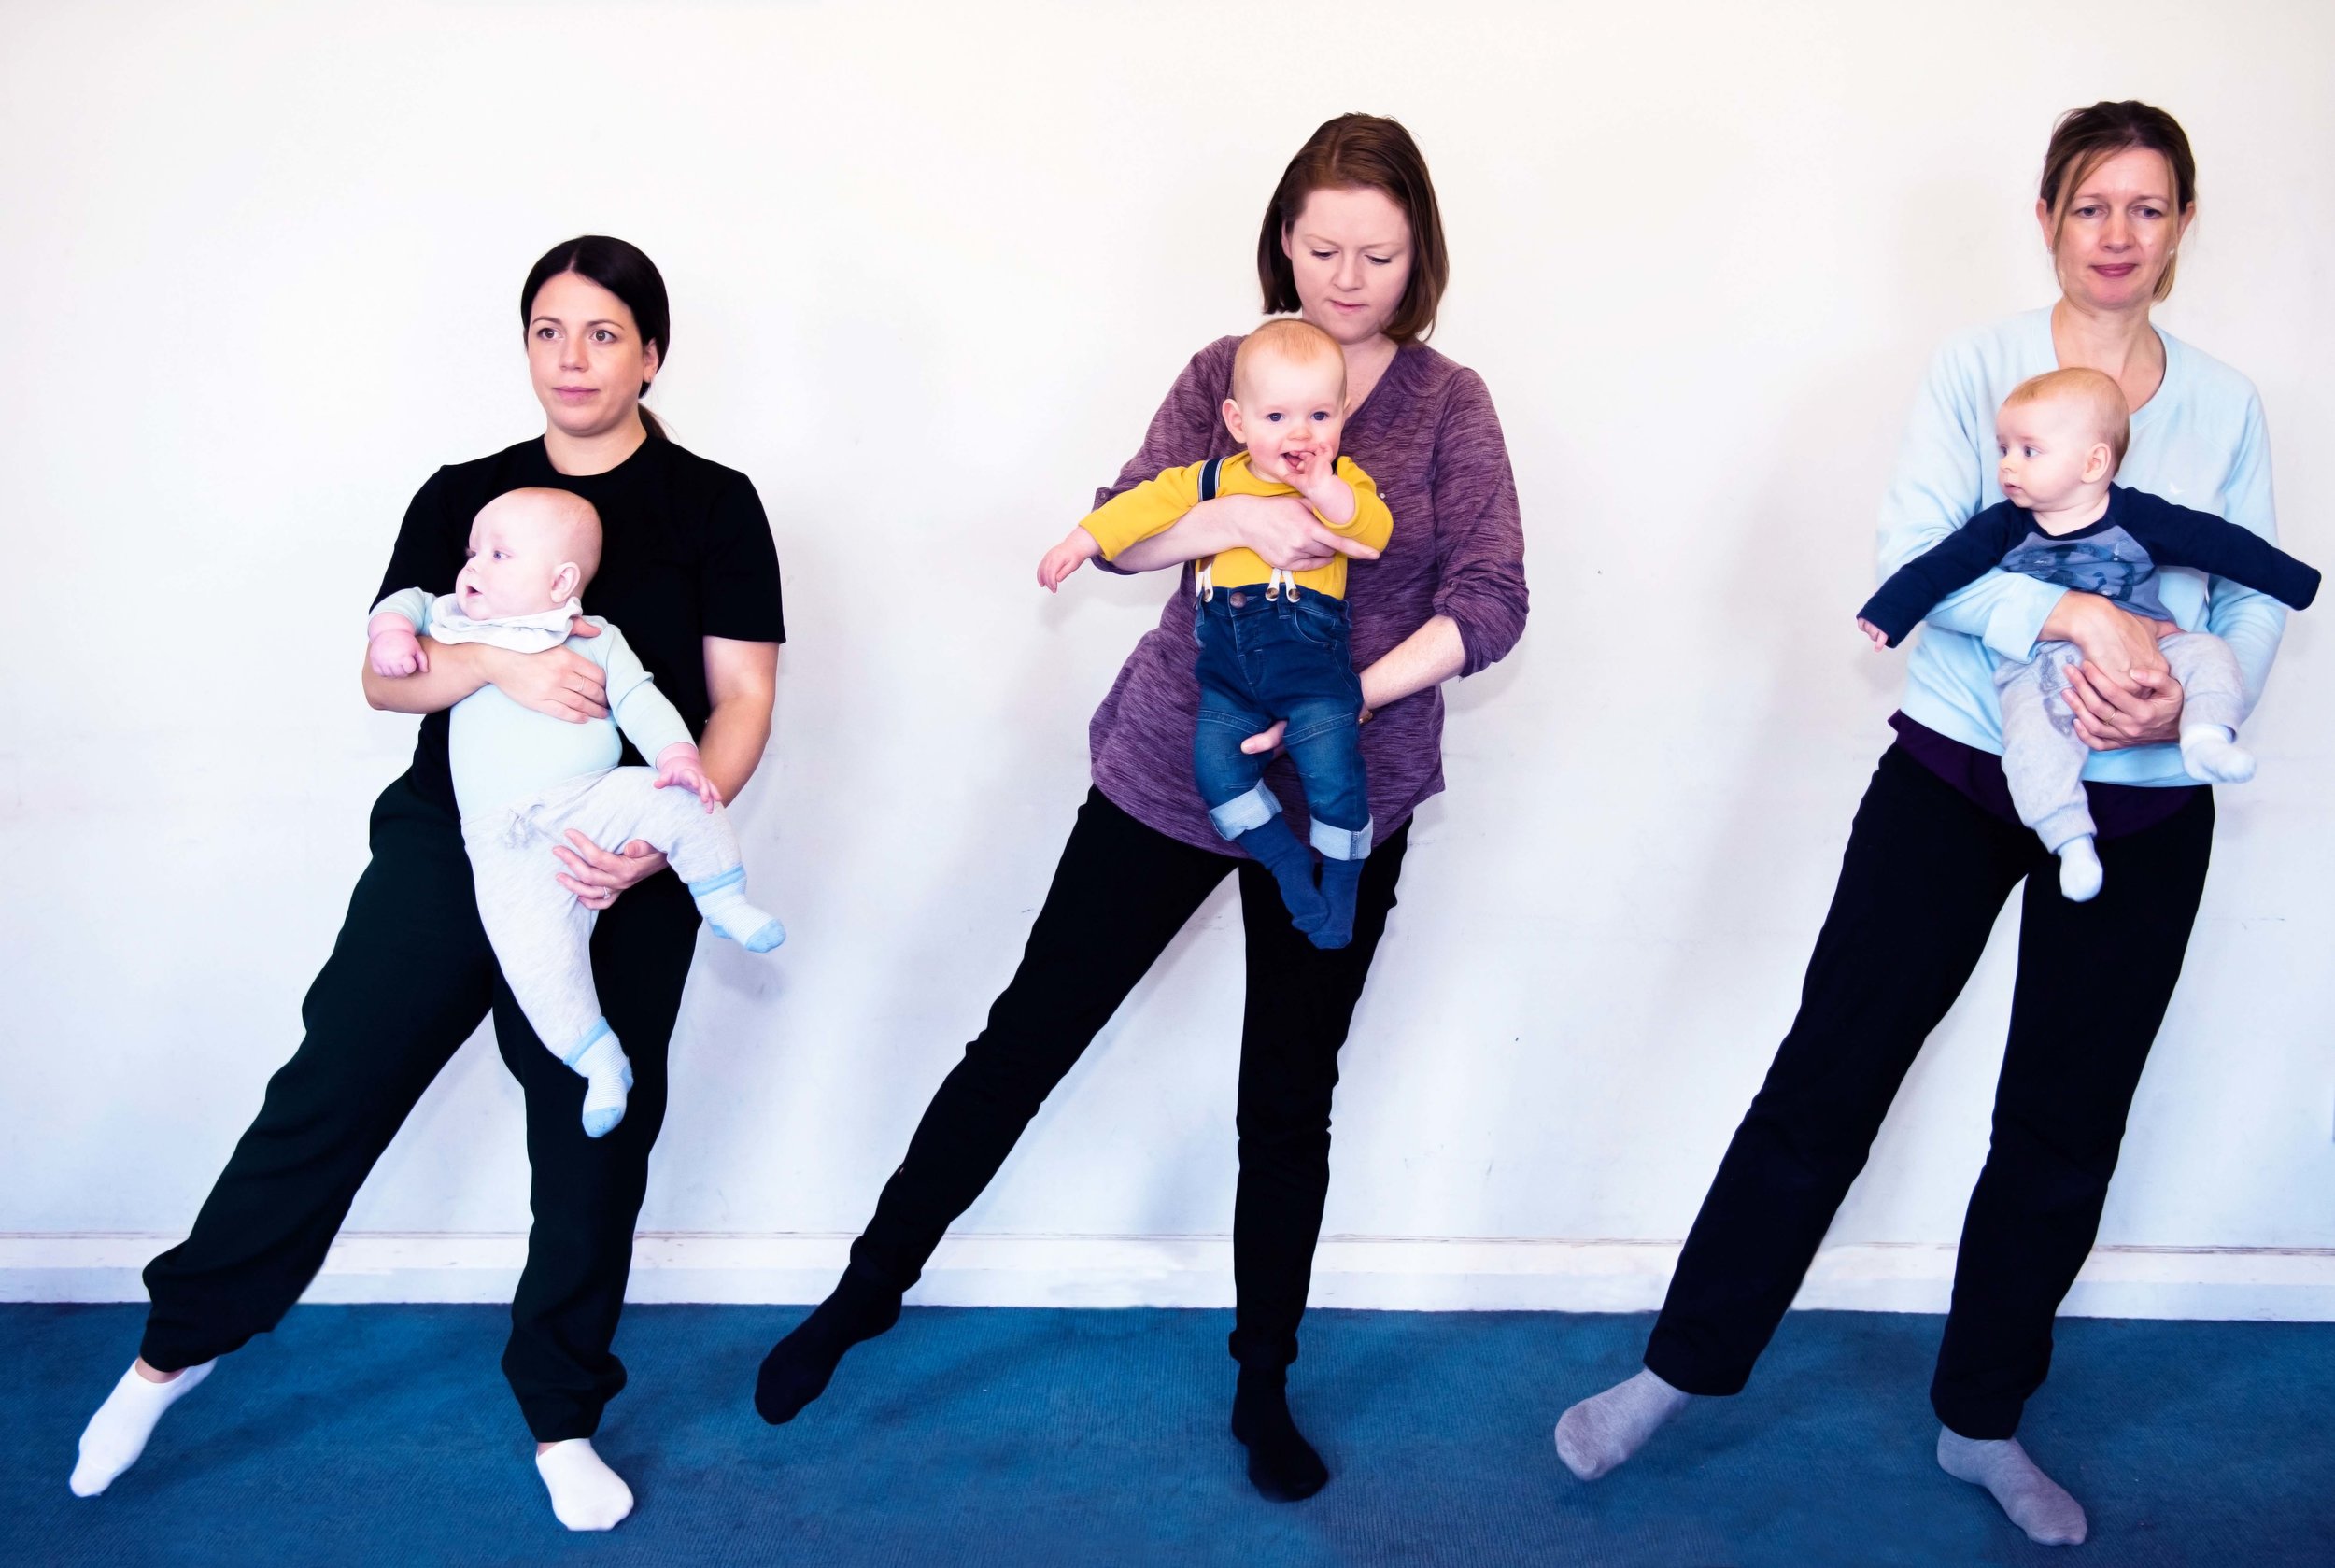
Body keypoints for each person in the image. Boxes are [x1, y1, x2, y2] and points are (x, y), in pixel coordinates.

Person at [755, 113, 1527, 1504]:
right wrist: (1234, 521)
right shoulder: (1221, 376)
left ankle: (1262, 1380)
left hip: (1349, 784)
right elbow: (1123, 520)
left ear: (1421, 257)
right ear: (1283, 239)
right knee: (1031, 1029)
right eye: (1323, 245)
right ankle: (864, 1289)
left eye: (1380, 252)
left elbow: (1491, 599)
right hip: (1177, 761)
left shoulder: (1449, 405)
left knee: (1287, 1097)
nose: (1348, 275)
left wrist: (1351, 692)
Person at [1555, 102, 2294, 1549]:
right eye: (2094, 206)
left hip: (2145, 810)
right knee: (1830, 1071)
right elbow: (1917, 559)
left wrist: (2171, 715)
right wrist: (2067, 610)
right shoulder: (1975, 369)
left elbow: (2252, 595)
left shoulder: (2226, 406)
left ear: (2185, 227)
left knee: (2063, 1122)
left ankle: (1983, 1420)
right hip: (1961, 764)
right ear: (2048, 220)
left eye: (2150, 209)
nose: (2120, 236)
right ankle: (1677, 1367)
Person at [69, 236, 785, 1534]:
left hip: (613, 858)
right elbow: (386, 669)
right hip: (450, 843)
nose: (573, 357)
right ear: (525, 348)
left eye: (604, 332)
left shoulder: (714, 503)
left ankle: (562, 1414)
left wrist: (656, 838)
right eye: (550, 330)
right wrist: (499, 672)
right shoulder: (466, 491)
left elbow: (741, 700)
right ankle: (169, 1353)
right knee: (329, 1088)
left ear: (652, 354)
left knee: (589, 1137)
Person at [369, 487, 787, 1137]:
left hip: (592, 798)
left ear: (561, 579)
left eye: (499, 554)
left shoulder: (595, 636)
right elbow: (405, 604)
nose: (473, 567)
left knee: (681, 796)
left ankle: (724, 897)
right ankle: (597, 1062)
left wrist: (677, 754)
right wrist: (392, 632)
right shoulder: (453, 618)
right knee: (537, 962)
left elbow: (639, 700)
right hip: (501, 838)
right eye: (473, 551)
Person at [1856, 368, 2316, 900]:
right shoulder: (2003, 526)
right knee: (2032, 740)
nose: (2007, 465)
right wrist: (1888, 613)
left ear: (2093, 462)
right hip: (2041, 666)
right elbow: (1936, 568)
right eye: (2004, 448)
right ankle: (2069, 837)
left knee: (2210, 652)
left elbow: (2223, 545)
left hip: (2149, 648)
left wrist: (2297, 582)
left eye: (2030, 451)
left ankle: (2206, 736)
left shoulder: (2139, 516)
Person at [1039, 317, 1394, 946]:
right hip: (1229, 675)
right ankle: (1285, 862)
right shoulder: (1207, 480)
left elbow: (1371, 529)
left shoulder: (1343, 483)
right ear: (1237, 421)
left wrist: (1323, 487)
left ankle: (1341, 879)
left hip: (1312, 671)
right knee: (1216, 773)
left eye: (1319, 416)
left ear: (1342, 415)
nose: (1301, 434)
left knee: (1333, 776)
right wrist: (1080, 540)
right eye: (1277, 417)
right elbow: (1134, 507)